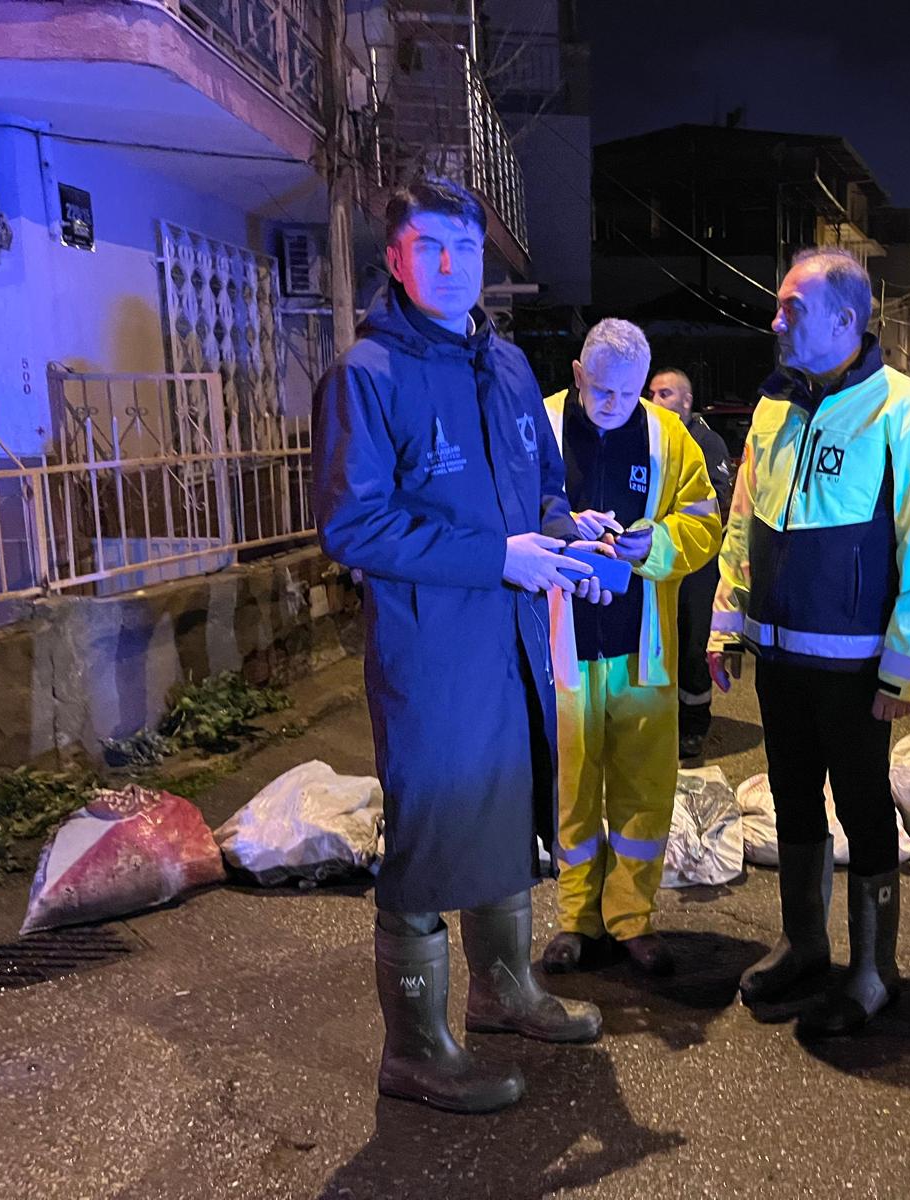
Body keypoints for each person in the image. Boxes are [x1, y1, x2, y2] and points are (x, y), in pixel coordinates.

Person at [313, 177, 604, 1115]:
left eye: (467, 248)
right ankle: (414, 1049)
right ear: (395, 258)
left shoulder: (509, 365)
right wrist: (498, 557)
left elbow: (543, 484)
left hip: (515, 641)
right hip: (433, 652)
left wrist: (569, 538)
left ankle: (504, 990)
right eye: (430, 246)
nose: (451, 264)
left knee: (508, 810)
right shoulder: (367, 374)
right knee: (431, 834)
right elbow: (353, 526)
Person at [709, 247, 910, 1038]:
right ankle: (804, 944)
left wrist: (902, 667)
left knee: (864, 806)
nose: (775, 321)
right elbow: (743, 522)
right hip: (778, 656)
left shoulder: (903, 412)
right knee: (790, 797)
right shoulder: (773, 406)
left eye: (793, 308)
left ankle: (875, 971)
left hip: (854, 666)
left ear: (846, 319)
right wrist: (725, 619)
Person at [540, 322, 723, 977]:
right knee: (570, 788)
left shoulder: (669, 436)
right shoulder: (541, 425)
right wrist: (560, 530)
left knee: (645, 787)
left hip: (642, 648)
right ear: (577, 373)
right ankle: (575, 919)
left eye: (628, 392)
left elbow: (705, 521)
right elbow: (509, 511)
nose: (614, 405)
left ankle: (630, 919)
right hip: (561, 646)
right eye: (601, 390)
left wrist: (655, 543)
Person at [648, 367, 735, 759]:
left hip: (697, 565)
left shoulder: (706, 441)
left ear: (686, 400)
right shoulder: (652, 437)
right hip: (661, 559)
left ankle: (694, 726)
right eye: (652, 393)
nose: (655, 400)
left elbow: (716, 502)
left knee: (691, 643)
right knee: (662, 643)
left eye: (665, 393)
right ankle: (665, 721)